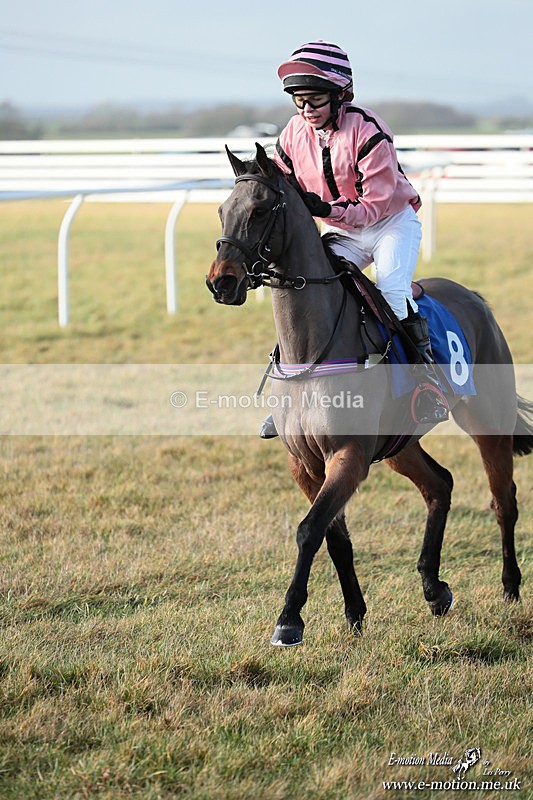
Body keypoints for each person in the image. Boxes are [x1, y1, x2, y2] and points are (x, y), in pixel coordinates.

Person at [259, 40, 448, 438]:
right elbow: (281, 176)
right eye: (299, 100)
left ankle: (426, 383)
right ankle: (288, 393)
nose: (306, 109)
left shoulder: (368, 131)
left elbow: (373, 206)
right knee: (307, 290)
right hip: (344, 229)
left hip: (390, 223)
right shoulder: (293, 133)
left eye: (315, 99)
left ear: (340, 94)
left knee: (391, 291)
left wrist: (325, 209)